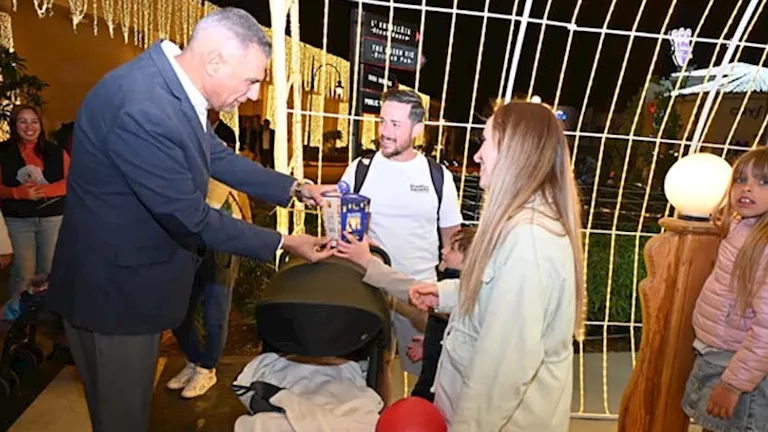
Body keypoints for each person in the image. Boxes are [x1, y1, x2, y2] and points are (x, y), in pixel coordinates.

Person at [45, 8, 334, 432]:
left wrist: (296, 189)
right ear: (215, 61)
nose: (254, 95)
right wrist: (284, 243)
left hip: (118, 281)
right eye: (251, 80)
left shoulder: (168, 86)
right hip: (116, 297)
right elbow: (191, 218)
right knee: (121, 419)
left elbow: (215, 156)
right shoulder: (145, 108)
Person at [409, 101, 585, 430]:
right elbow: (498, 297)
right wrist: (447, 294)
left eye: (485, 141)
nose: (477, 155)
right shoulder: (522, 227)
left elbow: (503, 369)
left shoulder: (528, 242)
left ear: (513, 152)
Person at [339, 88, 463, 386]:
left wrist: (450, 293)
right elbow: (340, 225)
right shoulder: (360, 170)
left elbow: (453, 241)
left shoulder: (437, 176)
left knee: (430, 376)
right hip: (369, 289)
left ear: (417, 129)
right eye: (382, 121)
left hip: (420, 294)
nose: (385, 132)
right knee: (371, 373)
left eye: (395, 124)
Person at [681, 147, 768, 432]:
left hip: (737, 366)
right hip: (720, 353)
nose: (747, 188)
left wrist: (732, 384)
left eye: (764, 182)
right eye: (741, 179)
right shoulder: (743, 228)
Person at [335, 226, 475, 402]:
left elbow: (407, 287)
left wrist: (367, 262)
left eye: (452, 249)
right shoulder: (464, 289)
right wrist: (433, 342)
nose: (443, 249)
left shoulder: (464, 292)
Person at [0, 105, 69, 321]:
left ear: (41, 125)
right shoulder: (3, 152)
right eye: (23, 121)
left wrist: (43, 191)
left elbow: (72, 182)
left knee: (48, 269)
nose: (29, 127)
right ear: (14, 125)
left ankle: (44, 317)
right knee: (23, 271)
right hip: (18, 220)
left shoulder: (57, 152)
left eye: (34, 121)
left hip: (52, 219)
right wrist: (17, 193)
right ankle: (18, 320)